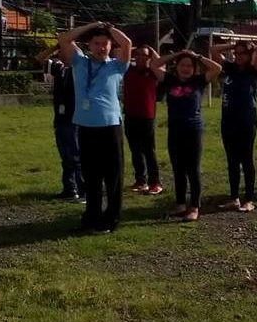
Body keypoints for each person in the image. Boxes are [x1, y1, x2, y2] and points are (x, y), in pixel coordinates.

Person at [58, 22, 131, 233]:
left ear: (110, 46)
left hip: (110, 127)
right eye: (97, 43)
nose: (101, 47)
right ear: (89, 45)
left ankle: (111, 219)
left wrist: (109, 29)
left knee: (113, 177)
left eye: (105, 44)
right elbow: (64, 39)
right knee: (91, 177)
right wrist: (92, 26)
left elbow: (126, 43)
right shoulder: (80, 63)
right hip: (86, 127)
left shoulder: (117, 65)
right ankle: (92, 218)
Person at [153, 49, 222, 222]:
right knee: (178, 170)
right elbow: (154, 64)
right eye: (182, 65)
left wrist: (197, 56)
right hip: (175, 131)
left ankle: (194, 207)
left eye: (189, 66)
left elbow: (217, 68)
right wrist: (176, 55)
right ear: (176, 67)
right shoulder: (169, 80)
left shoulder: (199, 81)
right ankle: (180, 204)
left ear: (194, 68)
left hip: (193, 130)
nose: (186, 68)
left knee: (193, 169)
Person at [210, 41, 257, 212]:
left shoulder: (253, 71)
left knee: (246, 159)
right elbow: (213, 50)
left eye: (242, 53)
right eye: (237, 53)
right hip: (228, 120)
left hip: (246, 121)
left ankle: (249, 199)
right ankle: (234, 197)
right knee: (232, 161)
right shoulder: (229, 67)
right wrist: (233, 45)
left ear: (249, 55)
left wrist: (250, 46)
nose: (238, 56)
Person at [35, 44, 83, 202]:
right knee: (66, 156)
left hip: (75, 118)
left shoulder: (81, 67)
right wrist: (55, 46)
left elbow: (80, 54)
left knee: (76, 156)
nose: (60, 54)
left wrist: (70, 42)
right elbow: (40, 58)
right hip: (61, 119)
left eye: (63, 51)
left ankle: (81, 188)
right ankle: (69, 188)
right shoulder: (60, 68)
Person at [123, 45, 165, 195]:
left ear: (149, 58)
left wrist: (151, 49)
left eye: (144, 55)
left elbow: (161, 64)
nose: (141, 57)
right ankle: (140, 180)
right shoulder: (128, 69)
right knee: (135, 150)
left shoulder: (152, 72)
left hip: (147, 117)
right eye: (138, 54)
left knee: (149, 150)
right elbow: (118, 54)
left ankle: (155, 182)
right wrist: (131, 48)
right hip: (130, 115)